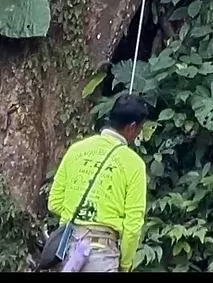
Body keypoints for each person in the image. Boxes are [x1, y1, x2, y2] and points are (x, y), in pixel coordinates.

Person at [46, 93, 150, 273]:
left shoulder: (76, 150)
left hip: (68, 252)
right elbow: (132, 227)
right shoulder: (134, 164)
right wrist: (125, 265)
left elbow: (54, 202)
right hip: (102, 254)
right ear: (132, 127)